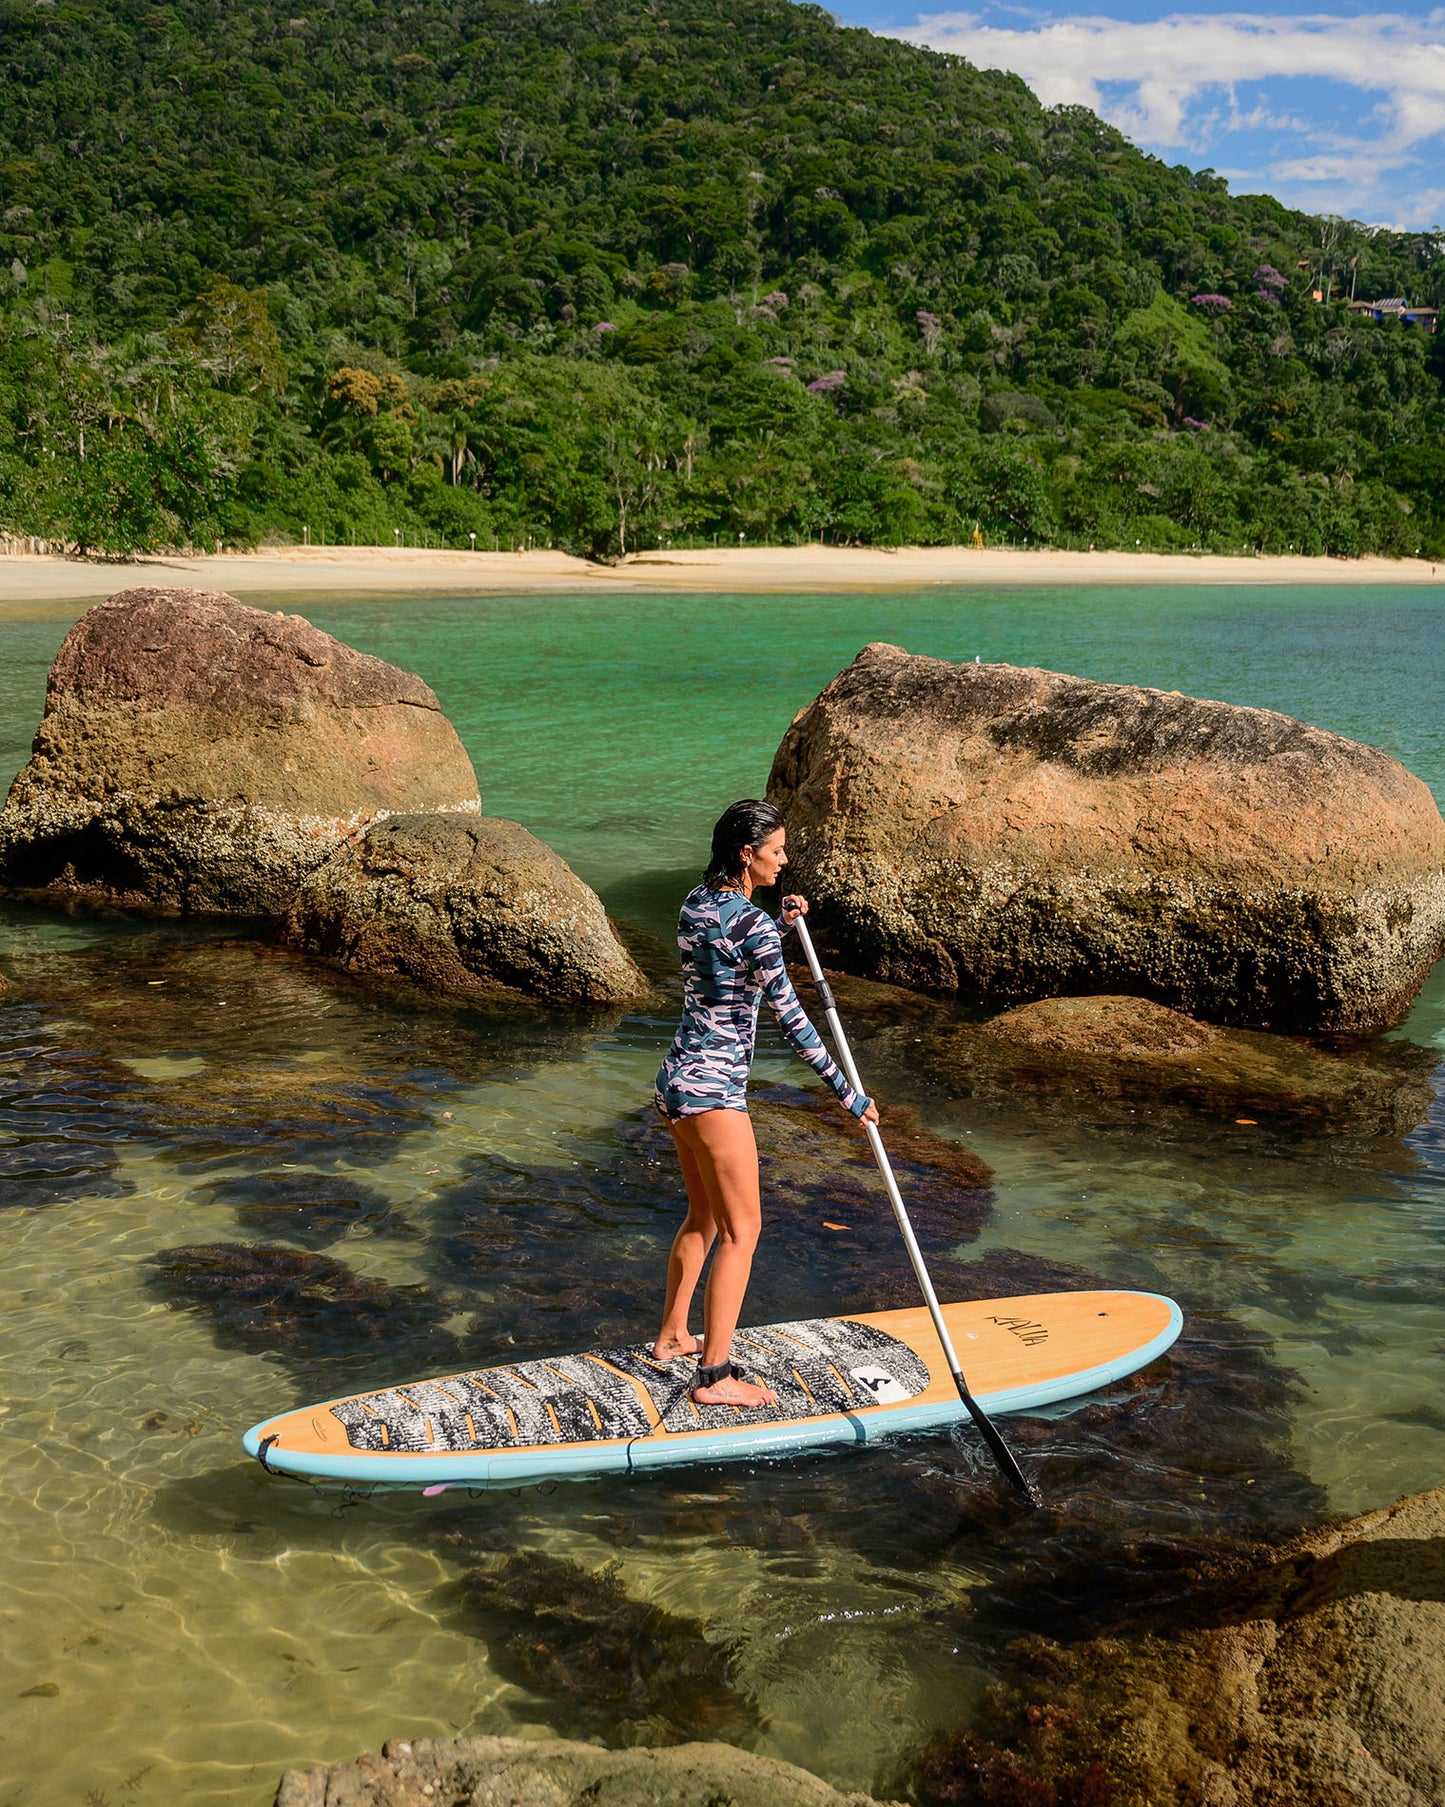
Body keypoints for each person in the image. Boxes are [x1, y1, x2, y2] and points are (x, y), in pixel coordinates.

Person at [652, 798, 880, 1408]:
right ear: (745, 853)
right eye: (775, 851)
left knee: (704, 1217)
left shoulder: (696, 904)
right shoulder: (750, 925)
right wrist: (848, 1094)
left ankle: (673, 1336)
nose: (784, 861)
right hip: (714, 1092)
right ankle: (714, 1378)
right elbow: (794, 1021)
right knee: (743, 1231)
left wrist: (778, 924)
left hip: (675, 1081)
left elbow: (730, 965)